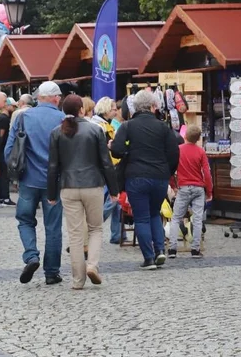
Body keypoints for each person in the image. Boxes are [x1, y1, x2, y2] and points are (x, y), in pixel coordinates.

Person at [47, 94, 117, 290]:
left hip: (68, 188)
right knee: (95, 229)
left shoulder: (56, 132)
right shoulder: (96, 130)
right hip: (93, 185)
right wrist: (114, 190)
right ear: (82, 110)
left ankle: (78, 280)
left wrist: (51, 193)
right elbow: (106, 163)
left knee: (75, 234)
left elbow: (52, 166)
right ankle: (92, 265)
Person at [111, 89, 181, 270]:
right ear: (153, 106)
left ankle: (148, 258)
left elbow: (117, 150)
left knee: (141, 218)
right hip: (159, 177)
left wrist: (128, 151)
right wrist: (167, 171)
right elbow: (174, 153)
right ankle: (159, 251)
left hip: (136, 176)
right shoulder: (163, 127)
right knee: (154, 214)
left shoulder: (127, 126)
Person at [4, 82, 66, 285]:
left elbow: (9, 151)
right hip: (54, 182)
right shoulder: (63, 120)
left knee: (24, 220)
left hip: (28, 180)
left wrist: (16, 173)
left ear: (38, 97)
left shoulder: (23, 117)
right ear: (55, 98)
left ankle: (31, 256)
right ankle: (51, 272)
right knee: (53, 227)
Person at [168, 124, 212, 258]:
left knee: (176, 218)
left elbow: (170, 169)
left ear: (185, 136)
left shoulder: (178, 150)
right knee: (197, 219)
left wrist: (173, 185)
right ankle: (195, 249)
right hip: (198, 188)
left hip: (183, 187)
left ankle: (172, 249)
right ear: (198, 139)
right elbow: (207, 173)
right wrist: (209, 191)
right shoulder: (201, 152)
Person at [93, 97, 122, 244]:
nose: (116, 111)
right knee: (113, 199)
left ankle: (117, 234)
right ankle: (92, 228)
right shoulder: (99, 126)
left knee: (117, 201)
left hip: (111, 166)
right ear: (105, 109)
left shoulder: (106, 124)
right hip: (105, 168)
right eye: (113, 108)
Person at [0, 100, 14, 205]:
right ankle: (4, 197)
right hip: (3, 149)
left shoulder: (2, 117)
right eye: (12, 105)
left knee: (3, 173)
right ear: (7, 106)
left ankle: (2, 196)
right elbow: (0, 135)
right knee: (4, 174)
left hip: (1, 149)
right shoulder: (4, 119)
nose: (14, 108)